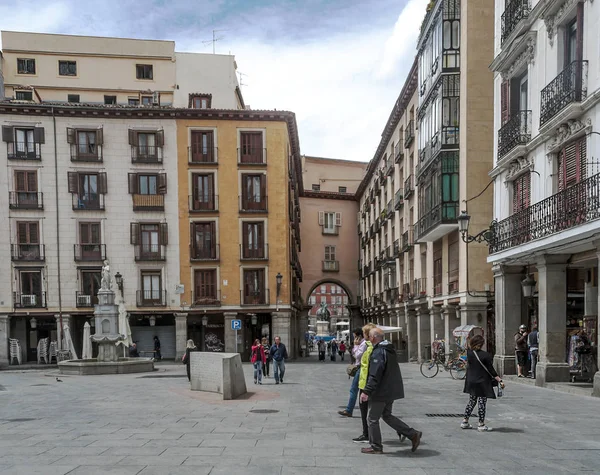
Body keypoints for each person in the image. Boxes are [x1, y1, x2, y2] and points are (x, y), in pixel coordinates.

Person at [359, 327, 422, 455]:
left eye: (370, 336)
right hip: (390, 389)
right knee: (386, 415)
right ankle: (413, 434)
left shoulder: (378, 352)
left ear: (374, 338)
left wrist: (366, 391)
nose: (369, 339)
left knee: (372, 418)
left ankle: (376, 446)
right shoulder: (388, 349)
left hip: (381, 391)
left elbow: (375, 374)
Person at [461, 334, 504, 432]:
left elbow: (467, 345)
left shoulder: (470, 353)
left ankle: (465, 421)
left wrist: (468, 339)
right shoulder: (486, 355)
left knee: (472, 401)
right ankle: (481, 424)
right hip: (482, 382)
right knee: (481, 402)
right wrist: (499, 380)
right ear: (481, 344)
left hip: (471, 381)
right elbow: (491, 370)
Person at [338, 328, 366, 418]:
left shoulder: (363, 344)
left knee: (354, 389)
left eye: (355, 336)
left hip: (361, 368)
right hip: (359, 368)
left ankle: (349, 410)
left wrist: (356, 346)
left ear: (359, 336)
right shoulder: (361, 344)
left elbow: (357, 355)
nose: (354, 339)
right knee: (360, 390)